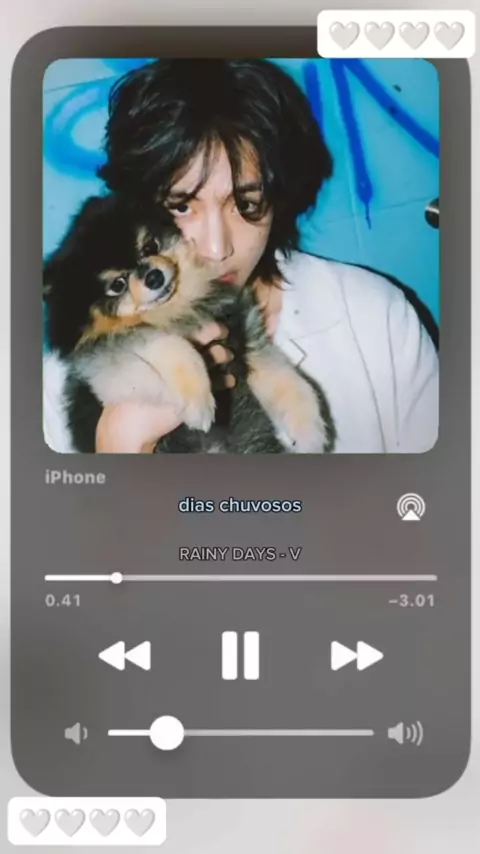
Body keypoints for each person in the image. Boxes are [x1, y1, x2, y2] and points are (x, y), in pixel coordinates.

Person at [43, 58, 438, 454]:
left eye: (246, 204)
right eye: (181, 206)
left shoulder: (376, 320)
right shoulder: (62, 382)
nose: (217, 249)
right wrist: (119, 449)